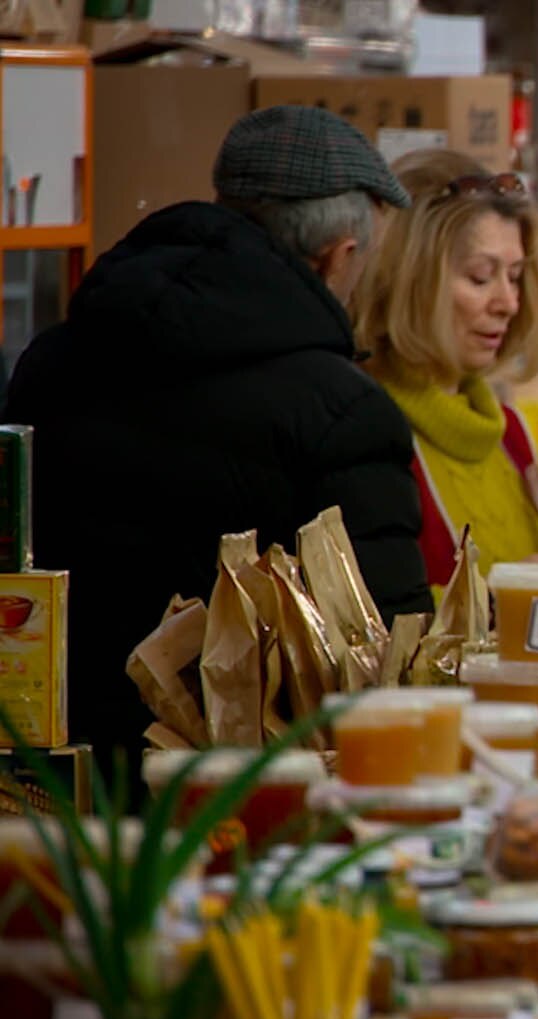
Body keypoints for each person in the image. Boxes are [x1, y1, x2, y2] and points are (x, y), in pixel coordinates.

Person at [2, 106, 432, 761]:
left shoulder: (50, 362)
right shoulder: (343, 412)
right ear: (337, 257)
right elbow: (391, 658)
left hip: (54, 779)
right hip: (241, 801)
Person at [352, 148, 538, 621]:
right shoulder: (366, 431)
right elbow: (359, 622)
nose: (508, 302)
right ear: (410, 279)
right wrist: (497, 603)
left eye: (516, 277)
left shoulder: (511, 438)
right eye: (481, 278)